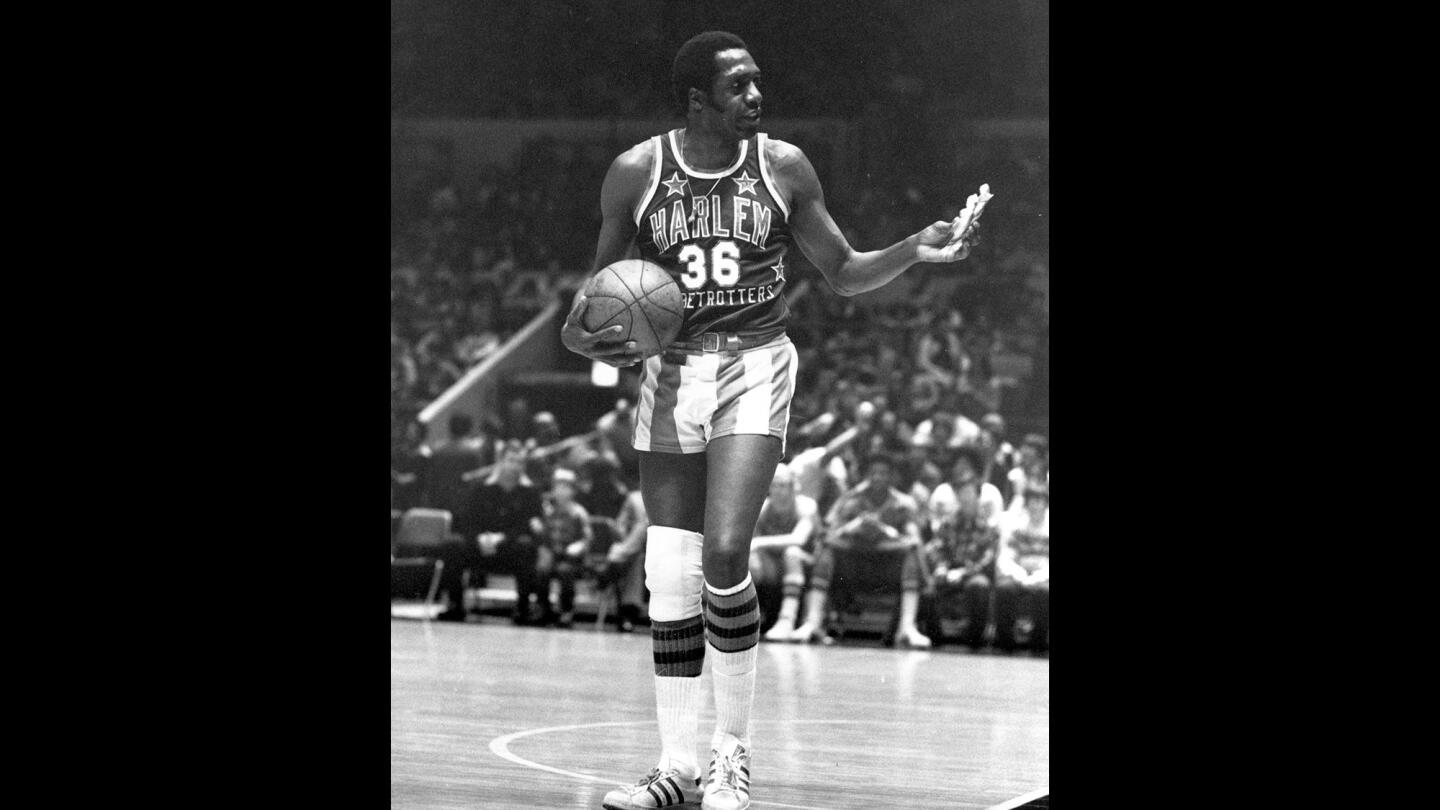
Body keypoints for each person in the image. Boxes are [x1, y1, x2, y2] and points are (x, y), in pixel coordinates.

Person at [560, 31, 980, 810]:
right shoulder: (636, 175)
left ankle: (732, 754)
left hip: (755, 361)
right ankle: (675, 768)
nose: (757, 97)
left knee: (724, 552)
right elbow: (596, 302)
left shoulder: (782, 167)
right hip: (671, 371)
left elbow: (847, 273)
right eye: (739, 87)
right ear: (697, 101)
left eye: (759, 84)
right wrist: (595, 340)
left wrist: (917, 250)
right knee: (669, 573)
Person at [786, 452, 932, 649]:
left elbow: (914, 539)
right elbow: (827, 535)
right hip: (852, 569)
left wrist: (885, 531)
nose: (878, 477)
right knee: (828, 550)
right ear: (866, 475)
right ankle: (812, 623)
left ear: (891, 476)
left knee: (911, 553)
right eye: (874, 472)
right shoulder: (850, 499)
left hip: (886, 570)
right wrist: (852, 527)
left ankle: (907, 628)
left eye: (883, 473)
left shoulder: (903, 503)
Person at [743, 464, 819, 640]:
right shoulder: (763, 508)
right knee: (748, 558)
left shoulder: (806, 506)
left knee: (791, 552)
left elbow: (798, 539)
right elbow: (749, 542)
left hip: (808, 563)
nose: (779, 491)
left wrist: (759, 543)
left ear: (793, 486)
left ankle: (787, 619)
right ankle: (744, 620)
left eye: (783, 485)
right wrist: (753, 553)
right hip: (775, 566)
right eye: (775, 485)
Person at [533, 468, 594, 628]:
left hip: (570, 557)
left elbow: (587, 538)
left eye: (565, 487)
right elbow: (542, 535)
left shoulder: (578, 513)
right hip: (551, 552)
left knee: (565, 571)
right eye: (557, 487)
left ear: (572, 491)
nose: (560, 491)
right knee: (542, 569)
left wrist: (578, 546)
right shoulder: (547, 511)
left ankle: (566, 610)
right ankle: (543, 607)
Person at [994, 478, 1049, 653]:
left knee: (1044, 592)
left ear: (1045, 504)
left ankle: (1038, 644)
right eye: (1032, 502)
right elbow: (1005, 558)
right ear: (1026, 504)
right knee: (1003, 589)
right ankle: (1006, 645)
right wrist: (1019, 574)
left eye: (1039, 502)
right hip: (1019, 574)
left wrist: (1037, 577)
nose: (1035, 506)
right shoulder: (1017, 527)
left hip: (1043, 576)